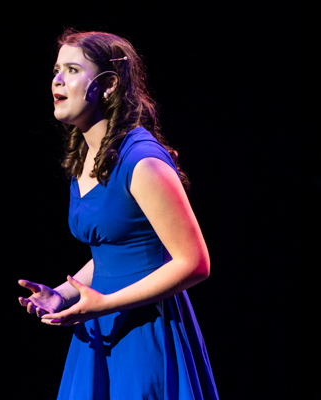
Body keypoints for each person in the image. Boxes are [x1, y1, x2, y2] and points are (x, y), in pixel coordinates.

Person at [17, 29, 219, 400]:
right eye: (56, 70)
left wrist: (104, 304)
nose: (57, 80)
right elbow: (112, 250)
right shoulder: (87, 157)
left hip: (143, 328)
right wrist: (62, 295)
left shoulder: (142, 161)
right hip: (97, 325)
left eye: (72, 69)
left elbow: (195, 262)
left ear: (107, 85)